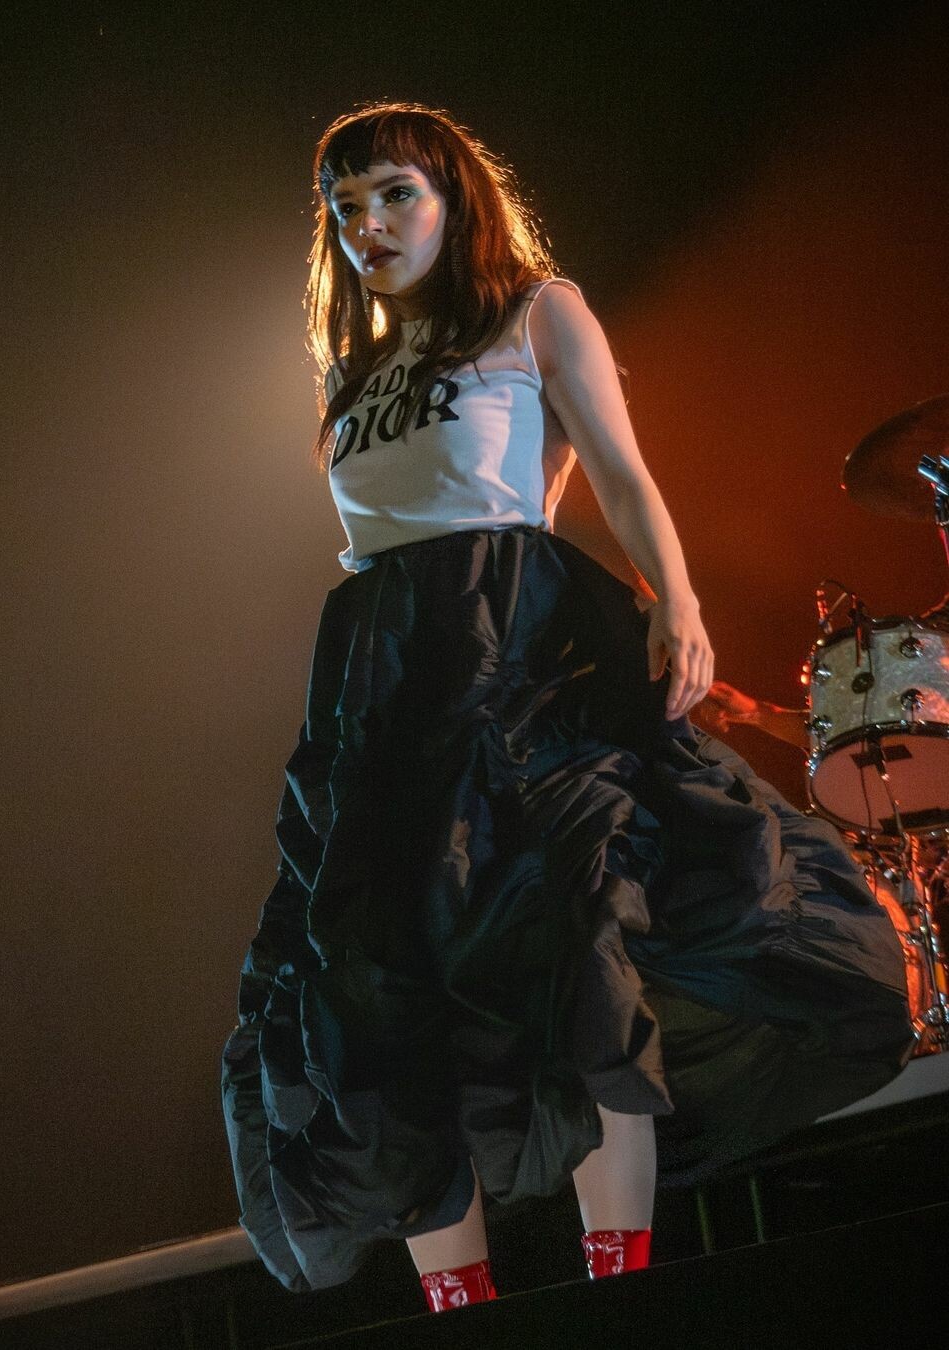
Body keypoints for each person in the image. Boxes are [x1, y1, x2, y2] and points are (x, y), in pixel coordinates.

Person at [220, 102, 914, 1315]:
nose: (369, 223)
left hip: (518, 650)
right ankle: (461, 1309)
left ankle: (618, 1290)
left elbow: (620, 471)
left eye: (394, 194)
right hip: (384, 677)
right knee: (384, 983)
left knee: (573, 945)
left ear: (454, 200)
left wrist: (677, 601)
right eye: (346, 206)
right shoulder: (354, 367)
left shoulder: (536, 311)